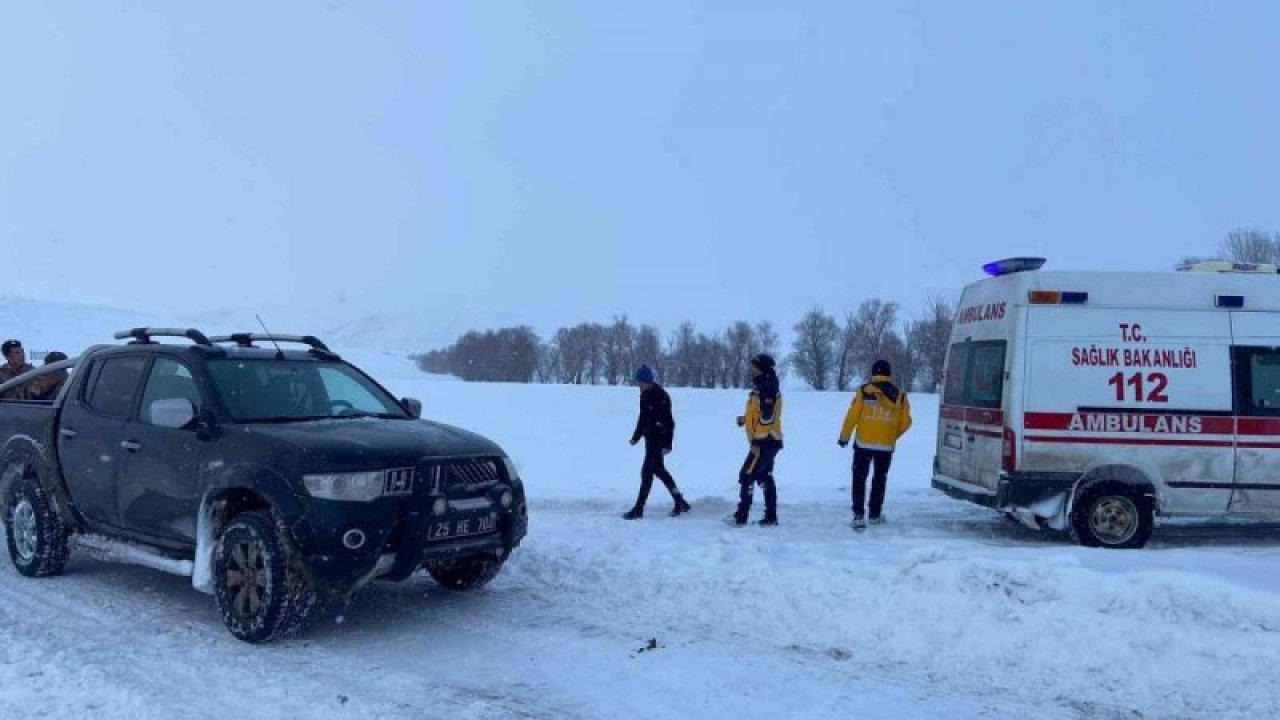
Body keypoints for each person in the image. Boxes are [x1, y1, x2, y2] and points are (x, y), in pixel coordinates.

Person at [838, 359, 913, 530]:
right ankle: (875, 514)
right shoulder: (900, 395)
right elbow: (906, 422)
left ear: (873, 374)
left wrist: (844, 436)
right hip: (885, 446)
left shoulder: (864, 392)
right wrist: (892, 436)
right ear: (889, 374)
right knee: (879, 479)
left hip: (863, 443)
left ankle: (858, 516)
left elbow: (852, 416)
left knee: (859, 479)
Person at [623, 365, 691, 519]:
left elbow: (669, 422)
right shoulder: (644, 395)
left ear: (649, 382)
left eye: (641, 382)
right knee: (658, 471)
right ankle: (680, 501)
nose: (638, 385)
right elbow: (643, 417)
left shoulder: (662, 396)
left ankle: (639, 509)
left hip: (659, 439)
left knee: (648, 473)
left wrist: (668, 444)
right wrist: (636, 436)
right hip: (649, 438)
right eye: (638, 382)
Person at [732, 353, 783, 526]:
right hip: (768, 440)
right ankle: (771, 516)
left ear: (760, 368)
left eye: (753, 366)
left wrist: (756, 442)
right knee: (764, 476)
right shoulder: (763, 385)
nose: (750, 368)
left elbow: (767, 418)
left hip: (765, 441)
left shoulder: (767, 387)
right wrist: (745, 419)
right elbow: (760, 413)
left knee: (746, 475)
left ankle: (741, 516)